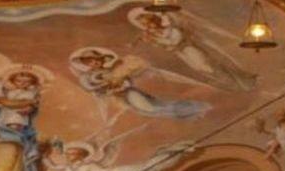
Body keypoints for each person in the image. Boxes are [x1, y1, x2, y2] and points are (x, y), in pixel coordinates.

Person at [128, 8, 256, 92]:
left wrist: (158, 40)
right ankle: (229, 84)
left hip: (187, 48)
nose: (147, 26)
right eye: (143, 24)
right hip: (181, 53)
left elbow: (176, 40)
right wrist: (154, 40)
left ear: (154, 20)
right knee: (201, 69)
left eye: (147, 22)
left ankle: (235, 81)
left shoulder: (170, 28)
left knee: (205, 66)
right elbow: (166, 46)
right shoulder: (156, 35)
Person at [69, 47, 211, 120]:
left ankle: (193, 109)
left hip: (128, 93)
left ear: (101, 59)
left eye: (95, 60)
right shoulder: (87, 76)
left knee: (151, 109)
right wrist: (105, 85)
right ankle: (192, 111)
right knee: (151, 110)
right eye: (89, 62)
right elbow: (90, 88)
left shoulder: (115, 68)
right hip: (118, 98)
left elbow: (132, 72)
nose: (93, 63)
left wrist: (118, 77)